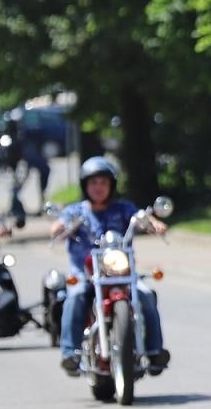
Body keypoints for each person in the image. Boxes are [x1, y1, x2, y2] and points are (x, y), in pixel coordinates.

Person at [49, 156, 170, 376]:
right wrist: (59, 227)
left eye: (103, 183)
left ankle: (154, 350)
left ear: (111, 186)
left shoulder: (123, 208)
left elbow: (140, 218)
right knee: (74, 297)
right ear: (85, 185)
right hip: (86, 274)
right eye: (94, 183)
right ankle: (70, 353)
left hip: (121, 273)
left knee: (146, 295)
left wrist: (154, 224)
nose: (98, 188)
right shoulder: (76, 211)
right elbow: (58, 225)